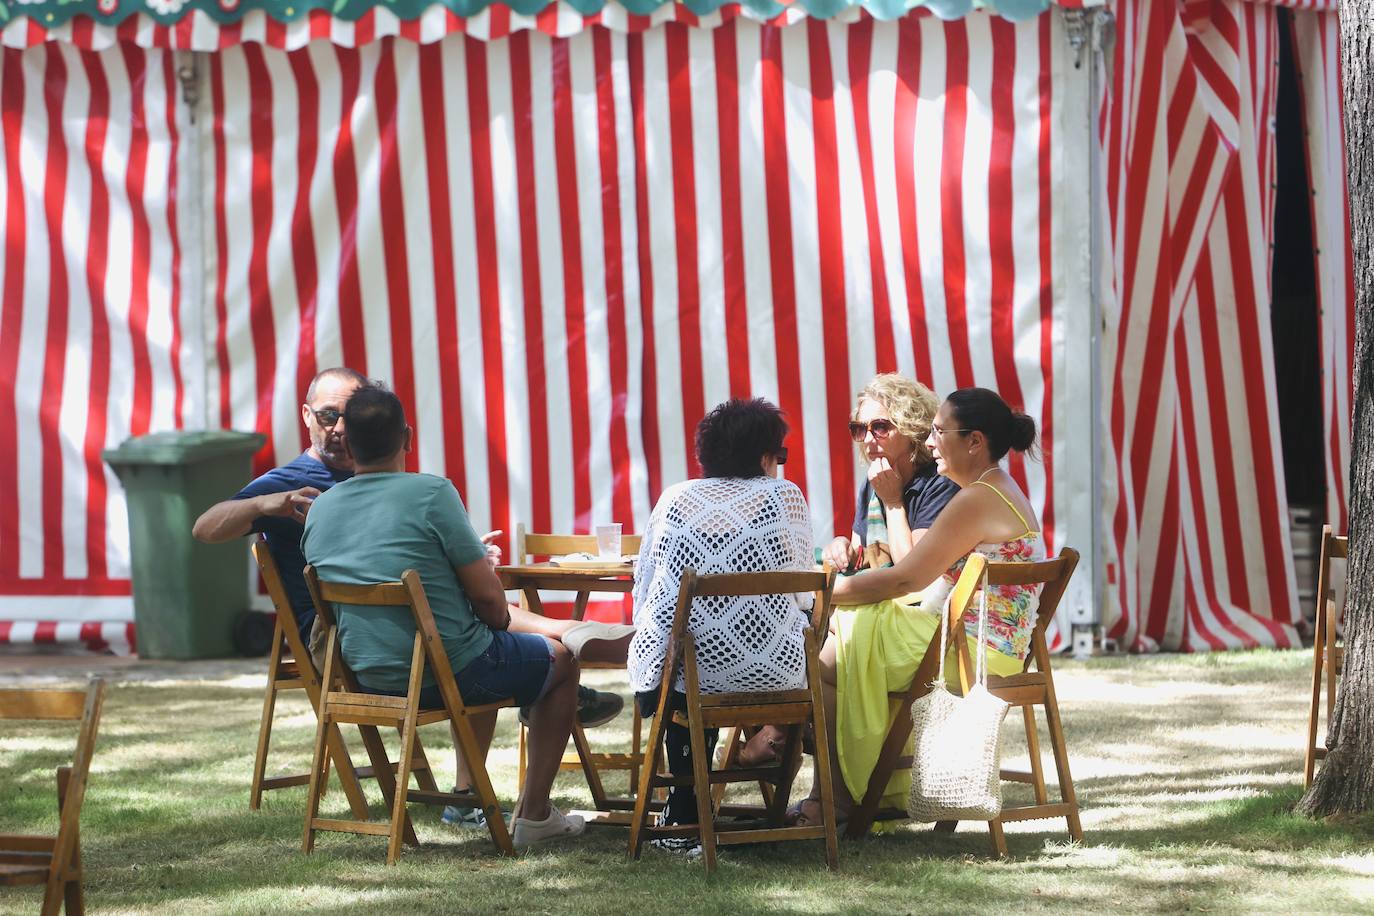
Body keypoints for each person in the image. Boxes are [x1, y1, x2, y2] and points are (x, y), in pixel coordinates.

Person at [302, 383, 585, 851]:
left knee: (504, 653)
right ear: (407, 437)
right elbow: (493, 609)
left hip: (364, 677)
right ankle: (535, 814)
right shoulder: (432, 494)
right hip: (450, 671)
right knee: (562, 661)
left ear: (348, 444)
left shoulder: (321, 508)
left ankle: (470, 793)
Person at [793, 387, 1046, 826]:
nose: (930, 443)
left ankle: (839, 802)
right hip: (982, 645)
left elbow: (907, 576)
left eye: (938, 432)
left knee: (828, 658)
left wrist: (817, 592)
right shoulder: (995, 490)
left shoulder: (975, 498)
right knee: (843, 636)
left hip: (970, 653)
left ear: (974, 441)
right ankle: (852, 797)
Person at [627, 398, 815, 855]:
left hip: (691, 674)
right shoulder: (783, 497)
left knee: (683, 657)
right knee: (708, 651)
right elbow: (804, 594)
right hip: (779, 671)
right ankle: (747, 775)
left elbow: (649, 585)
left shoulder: (675, 498)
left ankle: (685, 809)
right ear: (764, 455)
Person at [193, 367, 367, 637]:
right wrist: (261, 504)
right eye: (329, 415)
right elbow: (204, 529)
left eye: (352, 416)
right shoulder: (287, 483)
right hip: (334, 633)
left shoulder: (378, 471)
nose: (340, 428)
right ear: (307, 415)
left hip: (380, 618)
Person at [823, 374, 959, 573]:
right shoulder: (874, 482)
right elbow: (862, 554)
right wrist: (841, 547)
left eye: (880, 427)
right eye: (860, 429)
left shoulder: (940, 481)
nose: (868, 439)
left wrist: (893, 503)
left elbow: (913, 571)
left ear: (912, 427)